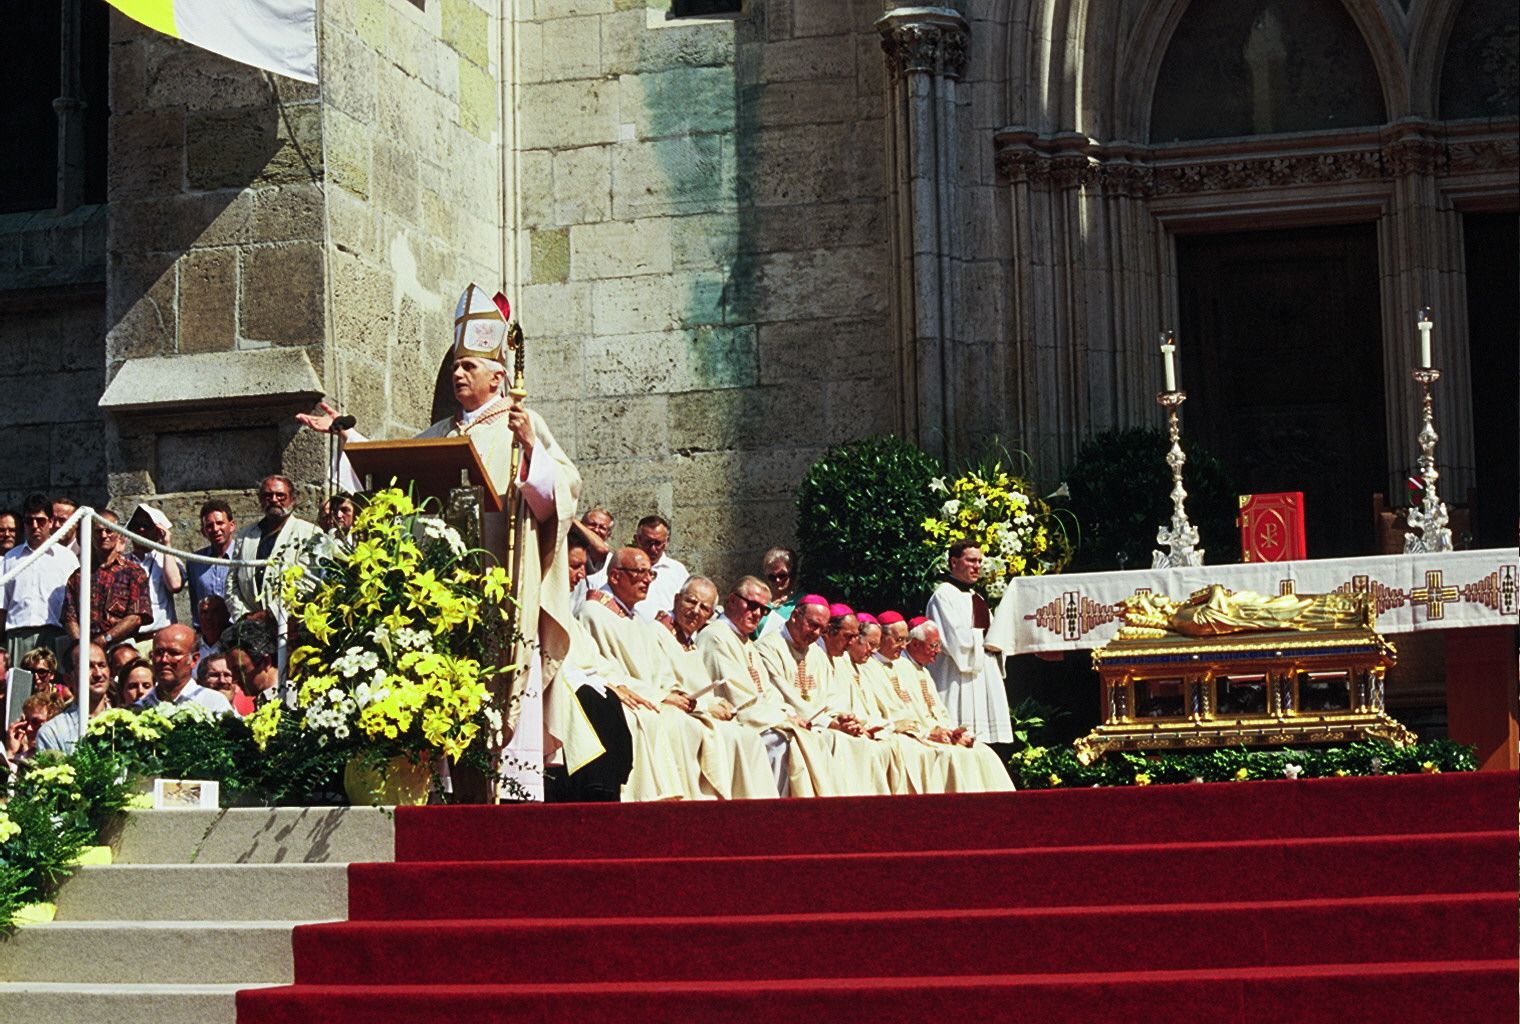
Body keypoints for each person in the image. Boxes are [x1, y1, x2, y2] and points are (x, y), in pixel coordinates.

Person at [298, 282, 583, 801]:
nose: (457, 373)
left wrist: (528, 453)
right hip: (443, 598)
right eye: (455, 366)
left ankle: (507, 799)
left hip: (502, 595)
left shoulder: (522, 423)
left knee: (501, 703)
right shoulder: (440, 433)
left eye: (468, 367)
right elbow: (393, 471)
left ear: (499, 376)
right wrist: (348, 438)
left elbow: (562, 494)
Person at [578, 547, 706, 800]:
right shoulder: (593, 613)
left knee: (689, 722)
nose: (648, 579)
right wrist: (660, 697)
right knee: (671, 722)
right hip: (620, 701)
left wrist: (672, 692)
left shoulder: (634, 618)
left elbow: (658, 669)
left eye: (651, 573)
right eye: (641, 572)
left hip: (648, 698)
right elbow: (599, 669)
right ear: (615, 576)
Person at [652, 576, 778, 800]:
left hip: (701, 711)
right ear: (676, 600)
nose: (696, 611)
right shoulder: (662, 632)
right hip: (678, 712)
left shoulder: (690, 641)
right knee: (748, 739)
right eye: (691, 602)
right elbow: (664, 684)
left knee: (748, 739)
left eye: (704, 608)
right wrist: (707, 705)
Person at [752, 596, 890, 796]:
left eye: (821, 629)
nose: (816, 634)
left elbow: (831, 697)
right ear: (795, 616)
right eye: (812, 625)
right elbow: (785, 695)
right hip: (792, 723)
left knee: (855, 743)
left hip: (818, 726)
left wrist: (841, 718)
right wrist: (829, 723)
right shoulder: (769, 647)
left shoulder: (815, 654)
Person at [895, 619, 1014, 791]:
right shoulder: (898, 669)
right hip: (919, 737)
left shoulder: (923, 671)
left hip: (938, 735)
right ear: (914, 645)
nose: (938, 651)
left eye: (939, 645)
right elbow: (904, 713)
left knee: (984, 753)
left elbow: (938, 711)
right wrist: (930, 732)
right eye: (933, 645)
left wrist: (953, 733)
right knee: (952, 758)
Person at [925, 541, 1014, 748]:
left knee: (984, 742)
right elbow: (955, 641)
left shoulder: (978, 598)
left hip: (983, 674)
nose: (977, 566)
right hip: (956, 677)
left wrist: (998, 642)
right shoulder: (943, 596)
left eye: (980, 561)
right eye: (971, 560)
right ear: (954, 562)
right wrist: (988, 641)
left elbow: (993, 636)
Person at [224, 476, 321, 623]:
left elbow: (307, 584)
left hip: (289, 625)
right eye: (268, 495)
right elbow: (232, 582)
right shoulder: (244, 536)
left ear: (292, 499)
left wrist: (269, 615)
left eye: (280, 495)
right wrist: (244, 616)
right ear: (260, 500)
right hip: (249, 625)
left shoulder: (310, 533)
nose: (274, 500)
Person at [1, 493, 78, 665]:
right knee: (20, 689)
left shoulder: (67, 558)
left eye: (40, 521)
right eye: (29, 521)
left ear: (50, 522)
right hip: (18, 635)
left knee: (55, 689)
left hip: (55, 634)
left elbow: (74, 605)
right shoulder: (10, 559)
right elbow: (2, 606)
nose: (35, 526)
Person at [61, 511, 150, 654]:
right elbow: (69, 617)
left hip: (122, 646)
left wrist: (104, 640)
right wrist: (82, 647)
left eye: (108, 531)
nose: (103, 535)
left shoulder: (134, 572)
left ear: (118, 534)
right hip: (86, 649)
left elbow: (136, 617)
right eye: (98, 531)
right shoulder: (78, 576)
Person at [134, 624, 232, 715]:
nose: (164, 660)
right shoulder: (139, 708)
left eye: (174, 653)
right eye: (159, 652)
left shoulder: (213, 703)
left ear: (194, 660)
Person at [34, 642, 112, 754]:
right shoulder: (52, 733)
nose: (98, 673)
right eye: (88, 667)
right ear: (68, 679)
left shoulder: (125, 724)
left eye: (102, 665)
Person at [126, 503, 185, 638]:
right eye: (136, 526)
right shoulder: (123, 561)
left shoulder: (166, 558)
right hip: (130, 638)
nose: (141, 529)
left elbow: (175, 585)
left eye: (146, 526)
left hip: (160, 635)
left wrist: (166, 545)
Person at [187, 499, 237, 629]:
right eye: (209, 525)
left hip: (238, 631)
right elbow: (195, 601)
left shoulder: (245, 557)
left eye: (220, 523)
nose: (215, 529)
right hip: (208, 634)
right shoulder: (195, 561)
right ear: (203, 531)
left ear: (232, 526)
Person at [628, 515, 688, 622]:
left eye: (657, 543)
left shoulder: (677, 571)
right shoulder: (625, 568)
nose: (652, 548)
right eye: (647, 542)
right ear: (637, 539)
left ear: (666, 541)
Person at [756, 547, 800, 638]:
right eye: (771, 577)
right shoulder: (759, 601)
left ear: (792, 573)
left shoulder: (801, 601)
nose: (777, 580)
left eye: (782, 575)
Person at [3, 694, 55, 767]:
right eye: (27, 722)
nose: (28, 728)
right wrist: (11, 751)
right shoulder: (21, 758)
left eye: (36, 722)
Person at [574, 506, 615, 594]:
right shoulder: (571, 548)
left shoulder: (612, 561)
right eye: (592, 525)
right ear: (582, 525)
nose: (596, 530)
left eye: (602, 528)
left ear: (609, 534)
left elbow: (601, 549)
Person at [199, 652, 253, 716]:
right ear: (200, 682)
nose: (222, 681)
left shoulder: (246, 724)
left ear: (237, 685)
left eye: (227, 675)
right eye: (215, 675)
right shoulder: (188, 721)